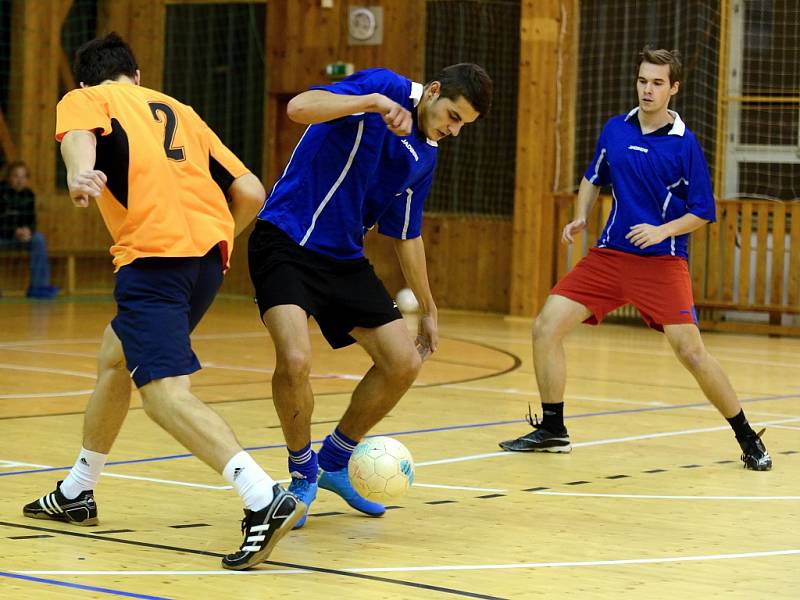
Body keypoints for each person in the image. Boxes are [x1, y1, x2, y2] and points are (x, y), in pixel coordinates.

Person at [21, 33, 303, 570]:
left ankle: (263, 497)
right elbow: (250, 191)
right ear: (138, 75)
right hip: (204, 264)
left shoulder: (87, 97)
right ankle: (79, 491)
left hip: (152, 261)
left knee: (164, 396)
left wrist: (78, 172)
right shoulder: (182, 111)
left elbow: (76, 136)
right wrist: (218, 241)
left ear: (87, 80)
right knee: (115, 358)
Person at [499, 47, 771, 471]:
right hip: (609, 257)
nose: (648, 89)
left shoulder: (685, 145)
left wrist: (662, 231)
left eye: (657, 82)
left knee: (692, 353)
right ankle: (554, 430)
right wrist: (579, 217)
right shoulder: (616, 129)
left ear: (673, 89)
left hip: (662, 264)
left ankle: (747, 437)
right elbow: (593, 177)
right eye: (643, 80)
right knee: (545, 327)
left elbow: (702, 210)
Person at [250, 64, 493, 527]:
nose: (454, 130)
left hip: (342, 258)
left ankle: (334, 462)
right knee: (296, 359)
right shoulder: (383, 87)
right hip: (284, 238)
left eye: (463, 125)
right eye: (453, 116)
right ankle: (301, 475)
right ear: (434, 91)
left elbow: (406, 234)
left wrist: (429, 307)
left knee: (404, 363)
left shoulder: (426, 154)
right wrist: (373, 102)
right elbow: (299, 108)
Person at [0, 161, 59, 298]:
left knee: (38, 239)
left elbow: (32, 221)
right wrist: (13, 231)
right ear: (9, 177)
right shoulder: (1, 192)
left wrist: (28, 231)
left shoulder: (28, 195)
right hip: (3, 236)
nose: (20, 180)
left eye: (23, 176)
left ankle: (39, 287)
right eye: (16, 176)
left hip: (20, 238)